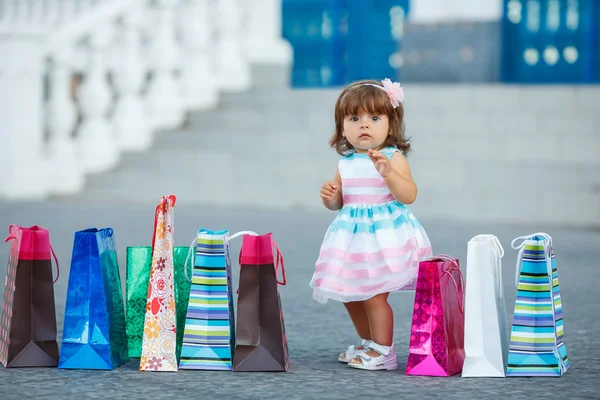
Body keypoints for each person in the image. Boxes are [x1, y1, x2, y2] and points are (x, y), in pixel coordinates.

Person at [310, 78, 433, 371]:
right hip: (351, 240)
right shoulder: (346, 164)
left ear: (390, 125)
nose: (364, 125)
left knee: (375, 295)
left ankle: (384, 349)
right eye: (354, 118)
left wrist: (388, 173)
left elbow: (409, 195)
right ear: (342, 127)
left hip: (383, 238)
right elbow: (340, 204)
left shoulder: (393, 158)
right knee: (350, 294)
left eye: (374, 118)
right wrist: (331, 197)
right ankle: (368, 342)